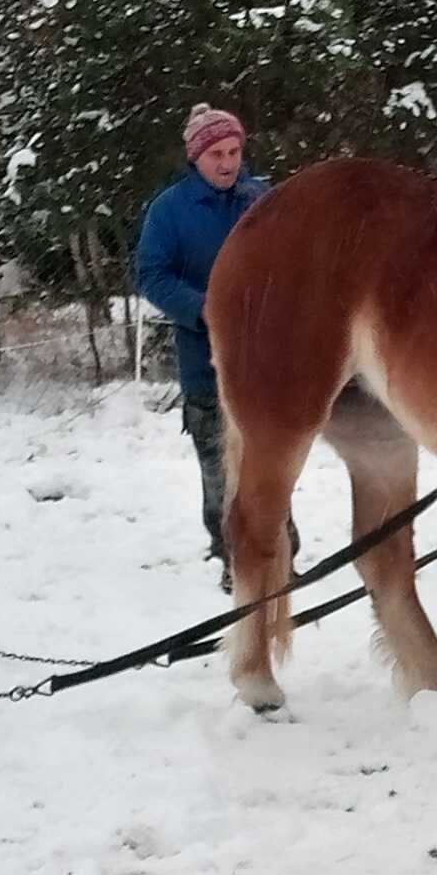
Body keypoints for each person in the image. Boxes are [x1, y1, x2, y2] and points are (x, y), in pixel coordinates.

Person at [133, 104, 280, 575]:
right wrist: (204, 309)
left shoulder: (262, 199)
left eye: (235, 151)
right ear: (196, 156)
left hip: (265, 362)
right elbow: (151, 274)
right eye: (216, 152)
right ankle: (231, 556)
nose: (227, 162)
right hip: (206, 362)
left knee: (271, 462)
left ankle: (281, 549)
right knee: (220, 469)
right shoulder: (170, 210)